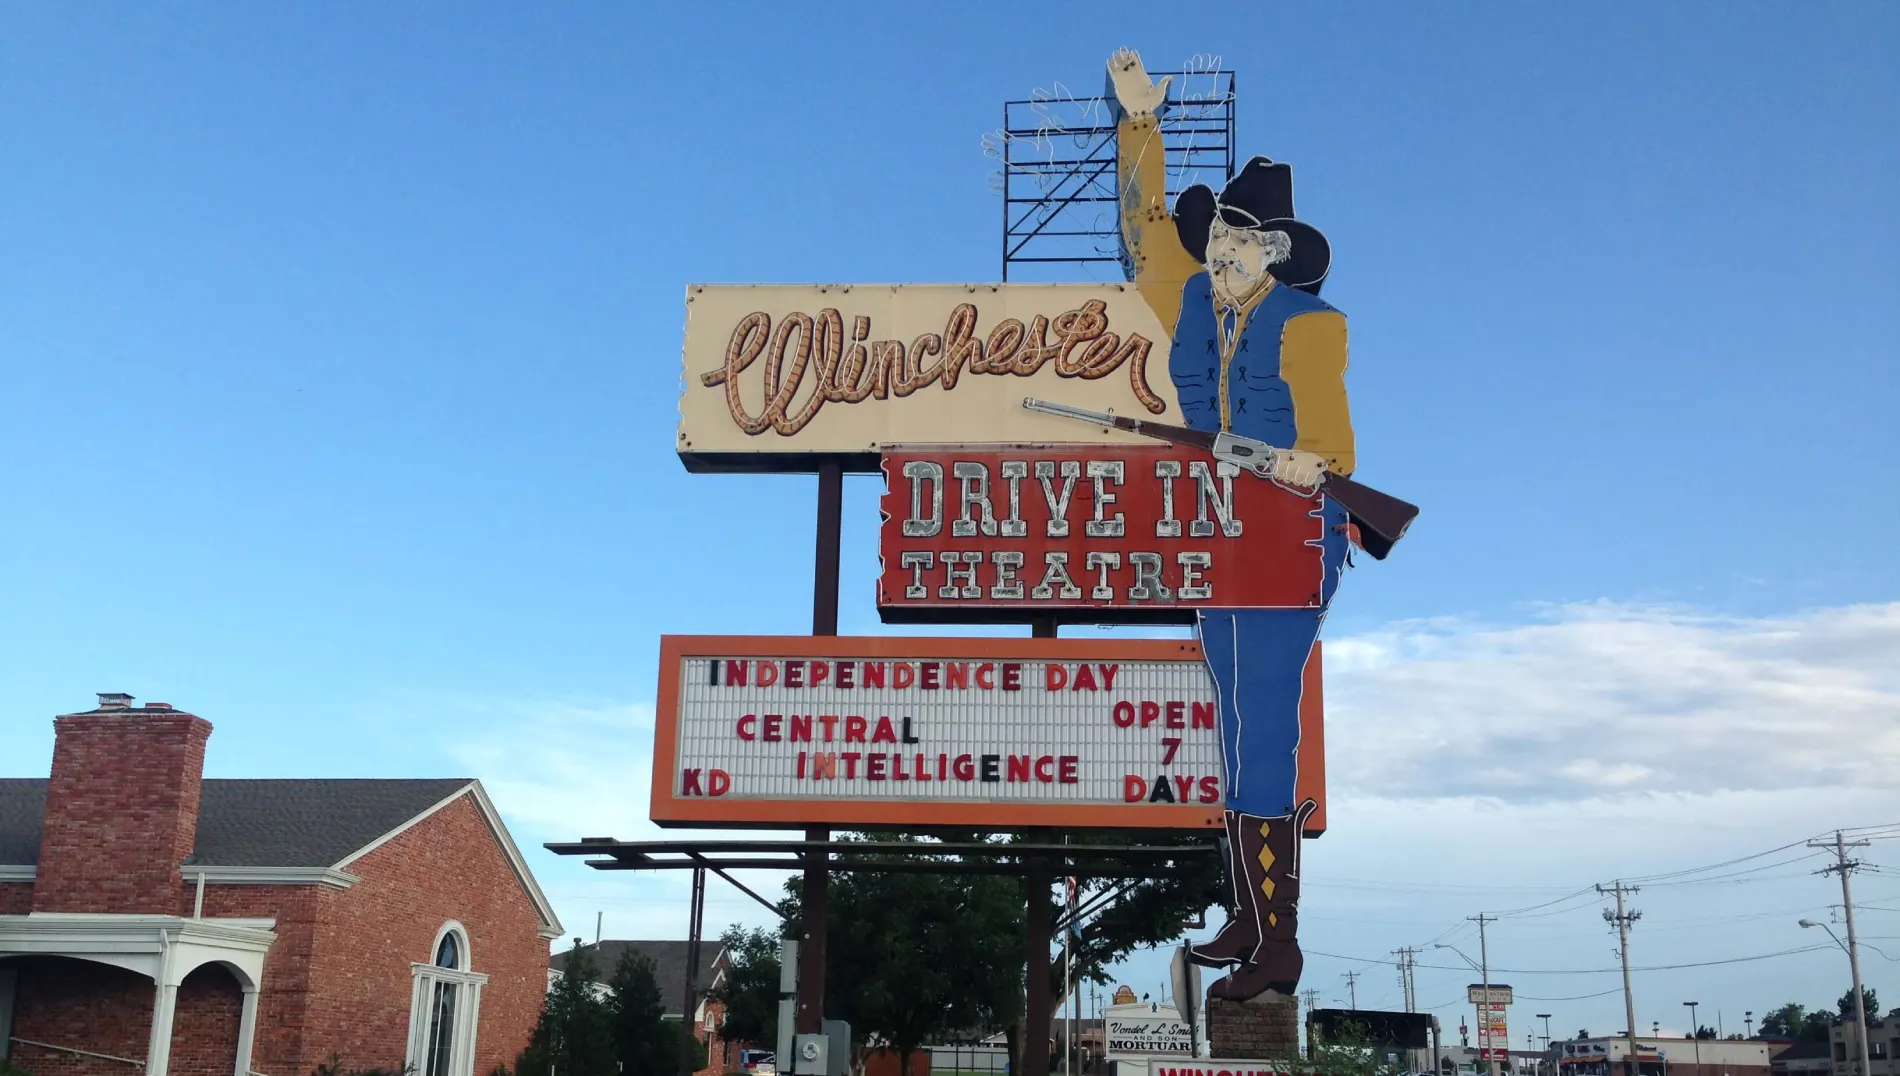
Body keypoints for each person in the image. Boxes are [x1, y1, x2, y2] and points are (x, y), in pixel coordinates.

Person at [1108, 46, 1357, 1001]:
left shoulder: (1310, 324)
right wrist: (1140, 125)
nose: (1220, 250)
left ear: (1276, 252)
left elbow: (1330, 425)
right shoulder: (1189, 296)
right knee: (1235, 716)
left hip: (1292, 522)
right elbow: (1142, 234)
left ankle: (1276, 944)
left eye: (1240, 239)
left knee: (1265, 718)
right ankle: (1254, 923)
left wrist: (1313, 460)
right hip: (1216, 529)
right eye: (1217, 236)